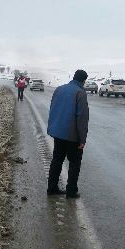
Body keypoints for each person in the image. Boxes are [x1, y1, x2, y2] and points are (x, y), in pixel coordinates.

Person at [46, 69, 90, 199]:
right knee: (75, 163)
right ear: (83, 81)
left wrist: (52, 127)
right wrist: (82, 139)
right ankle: (71, 191)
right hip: (72, 136)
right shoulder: (80, 93)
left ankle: (52, 188)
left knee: (57, 160)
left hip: (58, 133)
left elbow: (53, 108)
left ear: (73, 77)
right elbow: (82, 118)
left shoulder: (59, 89)